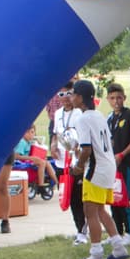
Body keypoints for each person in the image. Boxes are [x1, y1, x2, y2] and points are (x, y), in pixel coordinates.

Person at [70, 79, 129, 259]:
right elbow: (108, 142)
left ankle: (96, 254)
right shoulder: (99, 116)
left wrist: (79, 166)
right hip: (108, 166)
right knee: (100, 209)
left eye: (73, 94)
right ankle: (119, 247)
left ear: (80, 97)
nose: (71, 97)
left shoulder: (82, 119)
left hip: (95, 169)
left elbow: (87, 149)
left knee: (90, 211)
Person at [106, 81, 130, 244]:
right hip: (111, 166)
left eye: (119, 97)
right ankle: (116, 233)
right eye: (112, 98)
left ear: (124, 98)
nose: (116, 101)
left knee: (124, 198)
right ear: (108, 99)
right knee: (113, 199)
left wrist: (122, 154)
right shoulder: (109, 118)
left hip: (124, 164)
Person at [52, 81, 87, 243]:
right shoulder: (58, 113)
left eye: (69, 94)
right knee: (67, 196)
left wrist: (79, 153)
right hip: (61, 162)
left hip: (77, 162)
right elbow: (55, 133)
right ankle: (79, 229)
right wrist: (53, 145)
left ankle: (83, 232)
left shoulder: (79, 113)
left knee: (77, 198)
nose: (65, 98)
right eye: (61, 94)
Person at [13, 124, 57, 199]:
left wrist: (37, 141)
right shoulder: (22, 142)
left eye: (33, 132)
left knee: (46, 162)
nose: (33, 135)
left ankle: (55, 181)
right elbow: (16, 156)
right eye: (31, 132)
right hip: (20, 163)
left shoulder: (28, 142)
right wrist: (31, 158)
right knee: (42, 163)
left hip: (26, 161)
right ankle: (41, 185)